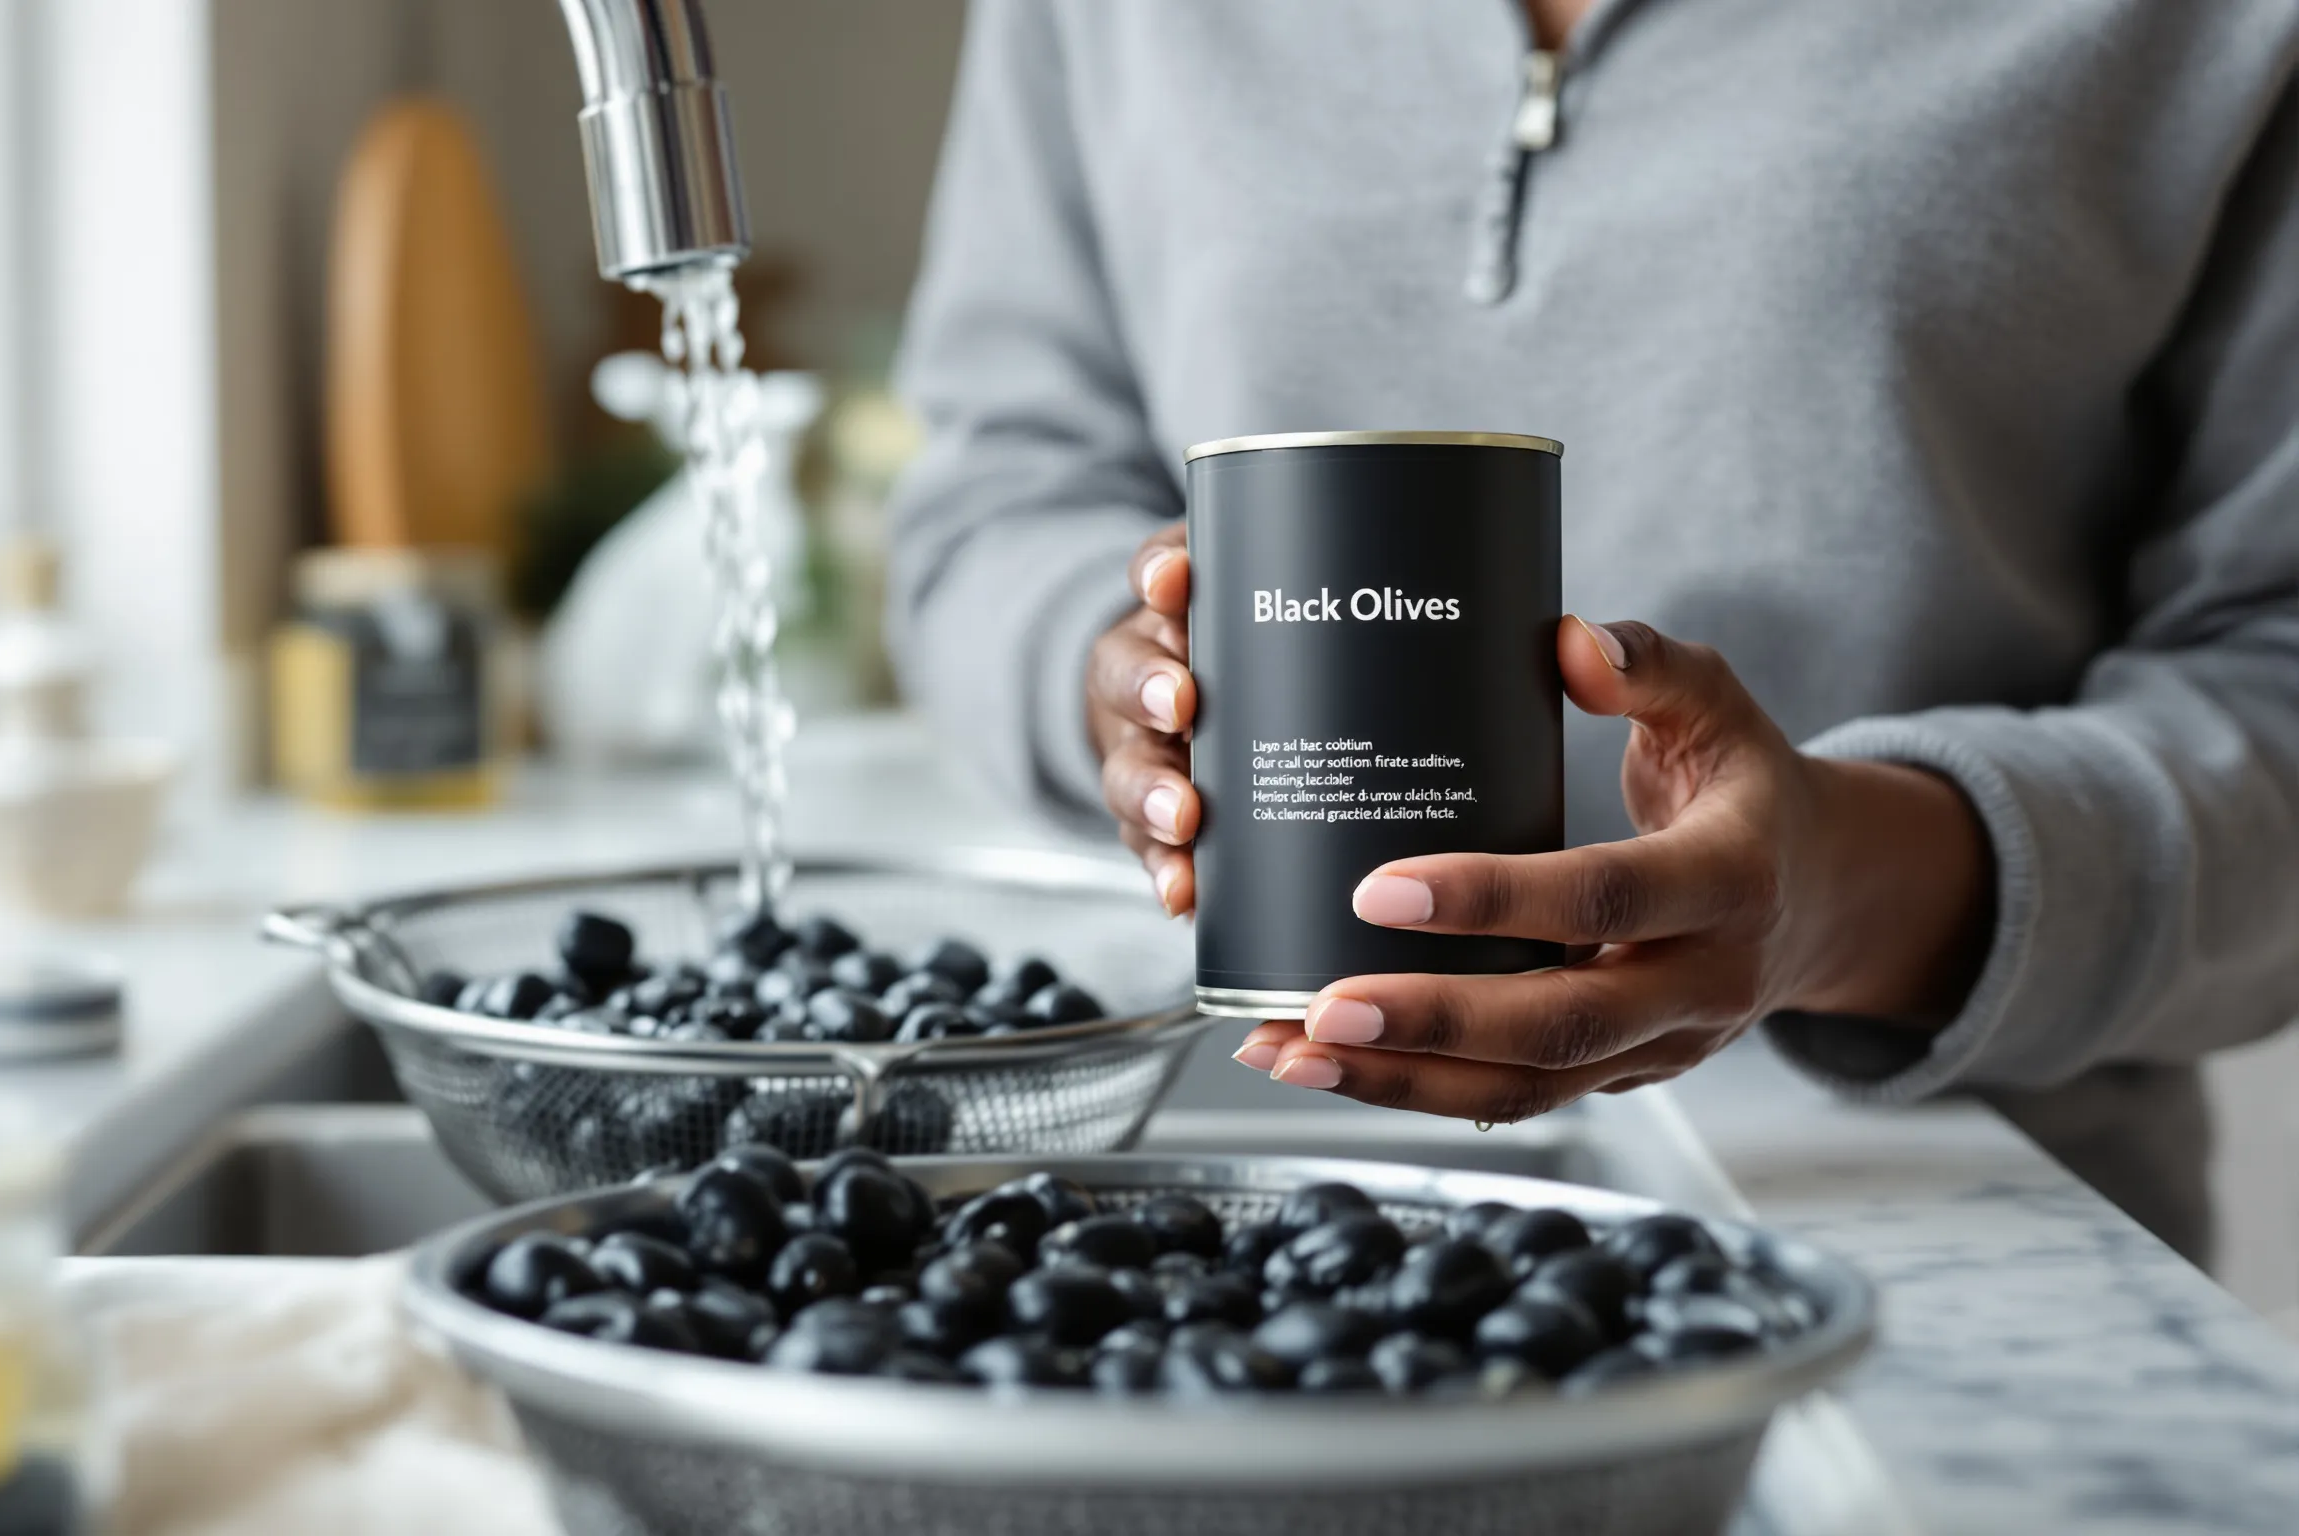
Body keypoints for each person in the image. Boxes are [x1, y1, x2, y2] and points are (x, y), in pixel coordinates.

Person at [886, 0, 2299, 1263]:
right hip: (1200, 1177)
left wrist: (1843, 891)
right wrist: (1119, 678)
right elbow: (998, 494)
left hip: (1940, 1223)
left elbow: (2272, 664)